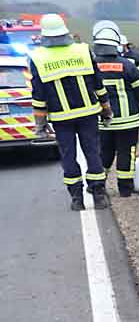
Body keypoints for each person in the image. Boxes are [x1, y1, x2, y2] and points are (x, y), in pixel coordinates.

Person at [29, 14, 112, 210]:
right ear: (65, 31)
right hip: (88, 114)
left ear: (44, 34)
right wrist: (106, 109)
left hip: (61, 118)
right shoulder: (83, 51)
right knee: (93, 153)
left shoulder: (38, 58)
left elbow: (38, 95)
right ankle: (98, 195)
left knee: (68, 156)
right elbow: (98, 84)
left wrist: (40, 125)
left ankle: (77, 199)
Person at [93, 22, 139, 197]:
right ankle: (125, 189)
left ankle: (99, 186)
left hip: (103, 121)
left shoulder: (91, 66)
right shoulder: (128, 65)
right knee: (127, 152)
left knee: (104, 153)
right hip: (129, 121)